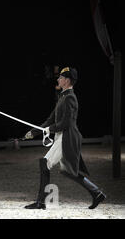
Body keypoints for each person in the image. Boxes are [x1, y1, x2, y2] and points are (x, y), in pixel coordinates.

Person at [24, 67, 106, 209]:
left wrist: (49, 129)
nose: (58, 79)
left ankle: (41, 202)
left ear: (67, 81)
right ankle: (97, 193)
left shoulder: (70, 98)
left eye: (61, 78)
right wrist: (32, 133)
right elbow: (50, 120)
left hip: (67, 137)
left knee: (45, 163)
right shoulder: (62, 97)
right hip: (61, 137)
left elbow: (65, 123)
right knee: (68, 171)